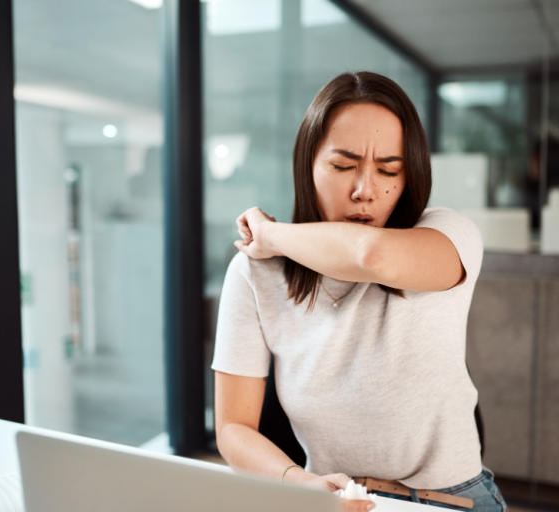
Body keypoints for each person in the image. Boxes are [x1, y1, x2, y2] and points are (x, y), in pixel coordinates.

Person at [212, 72, 507, 512]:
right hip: (339, 501)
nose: (364, 190)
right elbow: (234, 427)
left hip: (451, 502)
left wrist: (270, 235)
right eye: (343, 166)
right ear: (307, 165)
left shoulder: (447, 235)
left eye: (389, 169)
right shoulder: (255, 275)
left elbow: (373, 257)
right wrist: (299, 482)